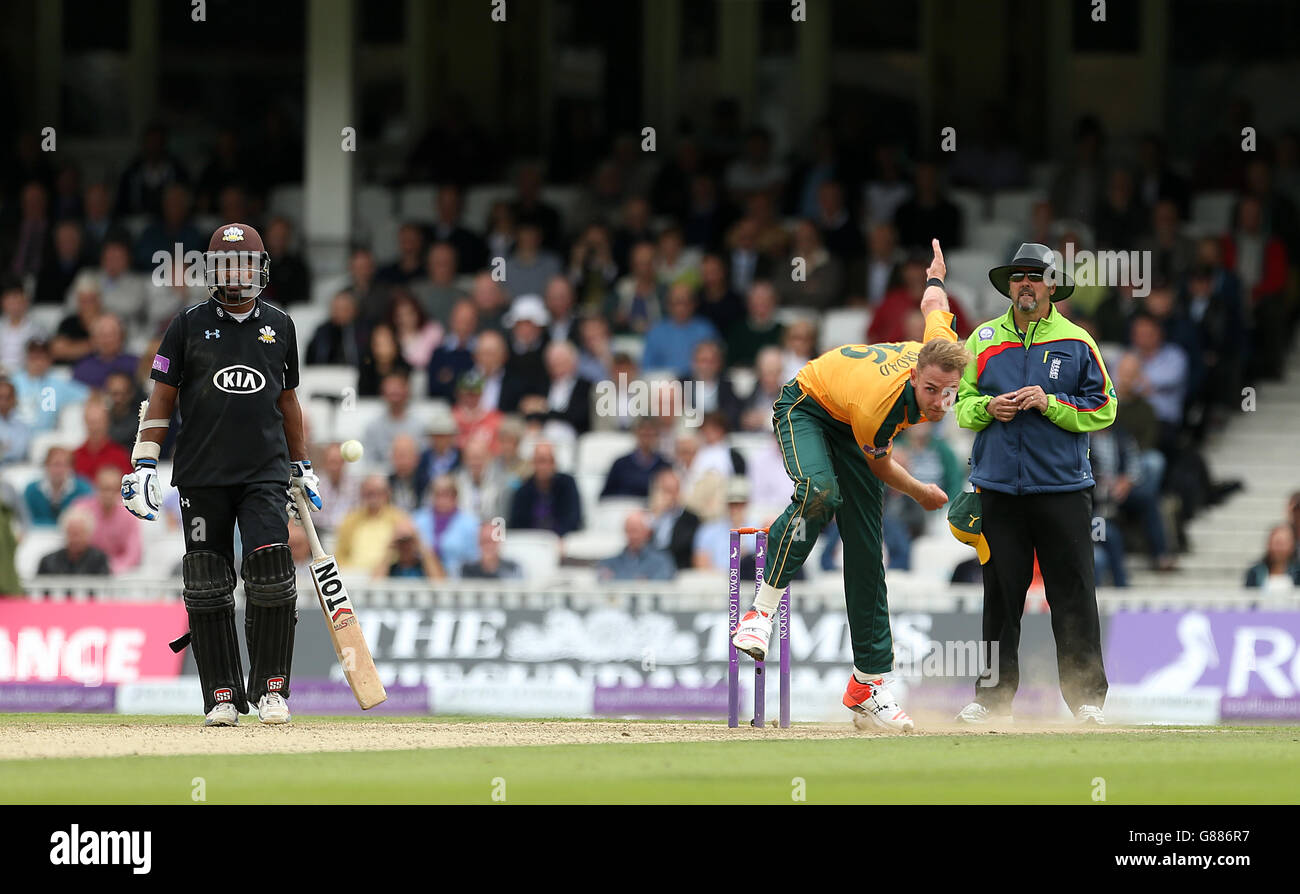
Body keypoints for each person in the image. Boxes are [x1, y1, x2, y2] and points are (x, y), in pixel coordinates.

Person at [730, 239, 965, 732]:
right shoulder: (881, 405)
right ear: (914, 375)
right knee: (821, 493)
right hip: (809, 406)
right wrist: (921, 491)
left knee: (865, 548)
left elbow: (934, 308)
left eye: (950, 394)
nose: (940, 403)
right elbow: (879, 466)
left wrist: (936, 277)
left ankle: (869, 684)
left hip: (851, 419)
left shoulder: (937, 350)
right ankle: (760, 613)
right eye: (930, 392)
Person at [121, 221, 311, 727]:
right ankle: (221, 695)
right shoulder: (186, 325)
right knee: (206, 582)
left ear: (261, 267)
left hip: (264, 473)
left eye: (246, 263)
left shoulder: (280, 325)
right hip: (202, 474)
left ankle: (272, 689)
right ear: (213, 270)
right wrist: (143, 459)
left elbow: (288, 402)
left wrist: (301, 465)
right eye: (228, 264)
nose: (238, 273)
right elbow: (161, 397)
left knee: (271, 574)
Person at [954, 243, 1115, 726]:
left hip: (1063, 489)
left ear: (1050, 285)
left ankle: (1087, 700)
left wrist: (1051, 404)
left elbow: (1105, 407)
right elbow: (959, 405)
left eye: (1035, 276)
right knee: (1000, 596)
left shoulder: (1077, 340)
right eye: (1017, 277)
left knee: (1073, 593)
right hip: (998, 489)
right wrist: (989, 409)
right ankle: (991, 699)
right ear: (1009, 286)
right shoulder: (982, 339)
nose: (1025, 284)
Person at [507, 441, 582, 537]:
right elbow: (517, 524)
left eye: (549, 461)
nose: (544, 466)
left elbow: (573, 518)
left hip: (561, 540)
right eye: (540, 461)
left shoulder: (567, 484)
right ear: (533, 463)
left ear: (554, 463)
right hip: (531, 542)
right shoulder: (523, 491)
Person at [412, 475, 481, 576]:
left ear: (455, 496)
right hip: (421, 578)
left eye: (446, 494)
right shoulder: (417, 520)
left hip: (458, 580)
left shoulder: (470, 524)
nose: (442, 500)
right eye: (437, 494)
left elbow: (474, 558)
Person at [596, 510, 676, 582]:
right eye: (629, 530)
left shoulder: (662, 561)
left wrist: (618, 578)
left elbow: (660, 583)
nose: (633, 535)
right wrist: (640, 580)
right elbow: (602, 581)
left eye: (636, 530)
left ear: (647, 532)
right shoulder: (609, 562)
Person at [601, 417, 671, 499]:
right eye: (644, 434)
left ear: (657, 436)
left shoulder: (665, 466)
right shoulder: (620, 464)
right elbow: (606, 496)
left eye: (651, 435)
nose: (647, 439)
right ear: (636, 434)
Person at [24, 446, 92, 527]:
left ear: (71, 468)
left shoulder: (83, 490)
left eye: (65, 465)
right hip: (38, 536)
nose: (60, 470)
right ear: (46, 465)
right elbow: (25, 519)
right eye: (56, 464)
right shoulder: (32, 490)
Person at [36, 510, 110, 576]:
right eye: (71, 533)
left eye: (79, 534)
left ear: (88, 534)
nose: (75, 539)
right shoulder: (48, 562)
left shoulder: (99, 560)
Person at [374, 516, 445, 580]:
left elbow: (439, 582)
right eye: (401, 542)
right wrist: (390, 548)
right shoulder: (391, 569)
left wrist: (420, 544)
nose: (405, 546)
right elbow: (375, 583)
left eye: (409, 542)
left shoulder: (424, 568)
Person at [1244, 525, 1300, 591]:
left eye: (1282, 544)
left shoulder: (1298, 572)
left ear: (1292, 545)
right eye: (1276, 543)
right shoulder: (1255, 572)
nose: (1279, 548)